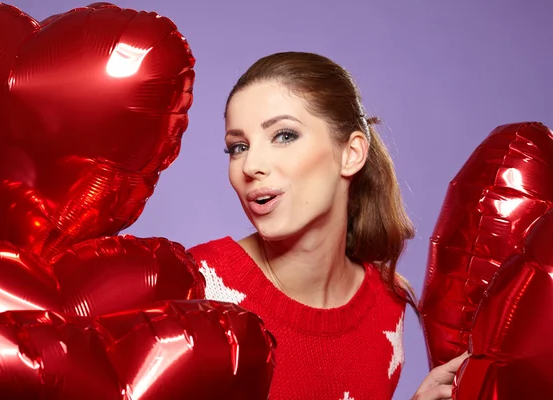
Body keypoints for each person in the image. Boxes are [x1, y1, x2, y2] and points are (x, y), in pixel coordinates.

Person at [188, 51, 467, 400]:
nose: (251, 165)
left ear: (351, 154)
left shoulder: (386, 305)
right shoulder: (196, 289)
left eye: (284, 135)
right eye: (238, 147)